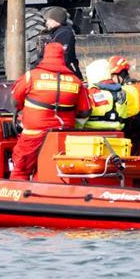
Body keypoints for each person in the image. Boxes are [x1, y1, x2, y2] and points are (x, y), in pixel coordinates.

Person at [9, 42, 90, 181]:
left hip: (33, 135)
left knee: (21, 169)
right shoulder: (76, 81)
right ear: (62, 57)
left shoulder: (31, 77)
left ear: (45, 55)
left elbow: (14, 102)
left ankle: (17, 199)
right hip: (64, 136)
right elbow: (85, 111)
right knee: (48, 171)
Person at [83, 56, 140, 153]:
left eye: (111, 76)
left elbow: (124, 119)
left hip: (138, 136)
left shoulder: (124, 92)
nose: (110, 80)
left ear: (118, 75)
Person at [31, 6, 82, 78]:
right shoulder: (55, 34)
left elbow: (64, 57)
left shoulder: (65, 34)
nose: (47, 23)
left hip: (62, 74)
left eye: (49, 20)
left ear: (57, 21)